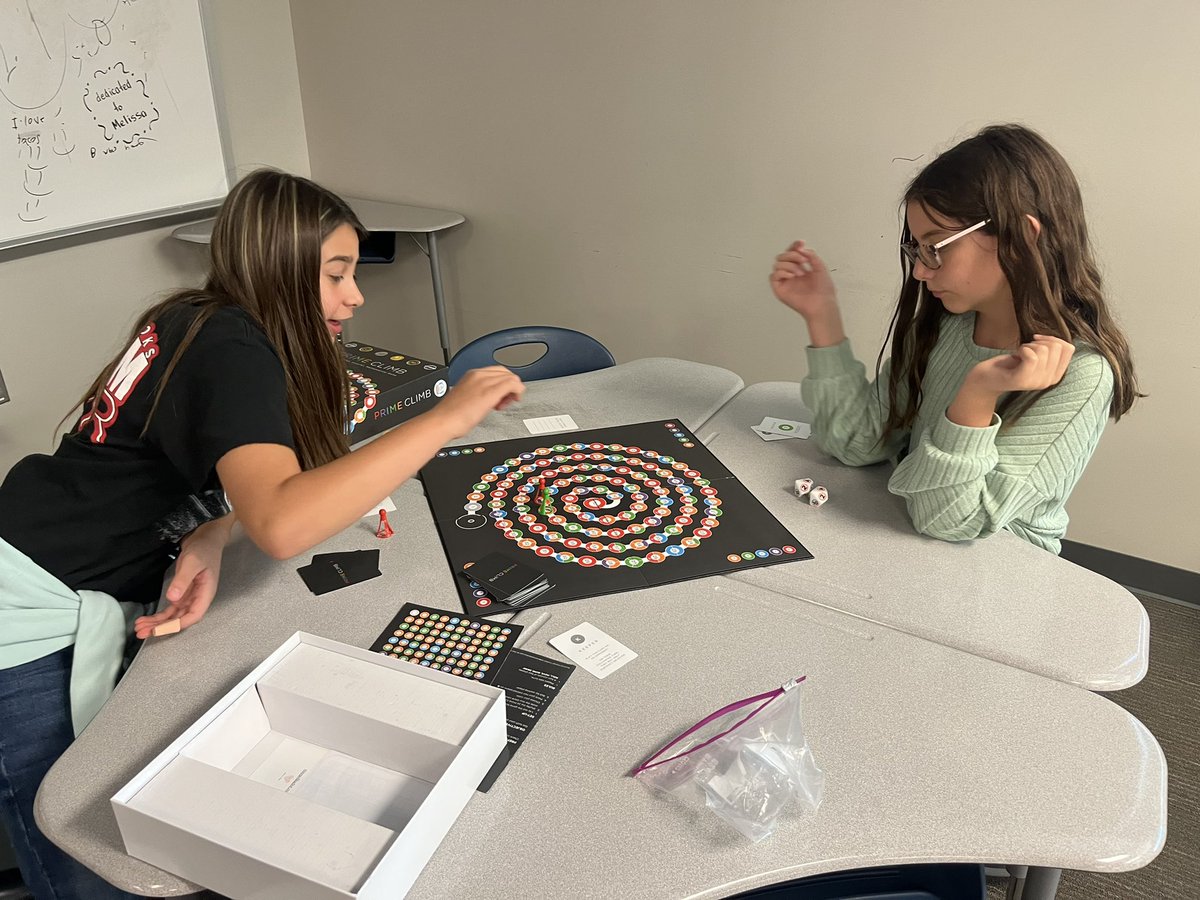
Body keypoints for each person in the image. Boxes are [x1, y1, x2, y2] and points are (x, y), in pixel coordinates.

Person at [0, 169, 524, 899]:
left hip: (51, 550)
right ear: (279, 266)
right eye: (337, 273)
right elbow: (282, 523)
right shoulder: (229, 344)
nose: (356, 295)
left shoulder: (195, 317)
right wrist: (447, 417)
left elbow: (209, 476)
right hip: (26, 610)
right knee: (80, 849)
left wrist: (210, 534)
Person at [770, 123, 1139, 554]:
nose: (922, 271)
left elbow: (948, 520)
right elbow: (858, 442)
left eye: (937, 246)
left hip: (1000, 568)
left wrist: (978, 395)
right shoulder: (946, 325)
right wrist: (823, 316)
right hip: (911, 543)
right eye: (918, 250)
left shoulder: (1083, 374)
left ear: (1020, 238)